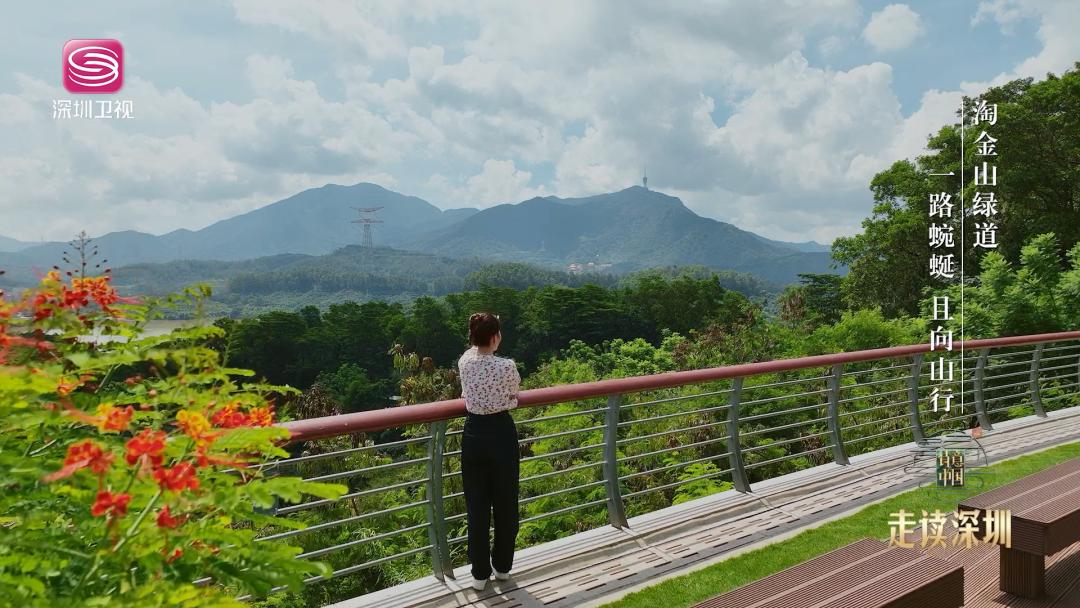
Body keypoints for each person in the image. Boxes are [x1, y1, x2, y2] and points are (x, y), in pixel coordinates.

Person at [457, 312, 521, 591]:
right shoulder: (506, 366)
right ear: (495, 337)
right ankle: (503, 567)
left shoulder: (464, 362)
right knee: (506, 503)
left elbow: (474, 355)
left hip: (473, 435)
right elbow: (513, 396)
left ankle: (479, 574)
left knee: (477, 506)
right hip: (501, 435)